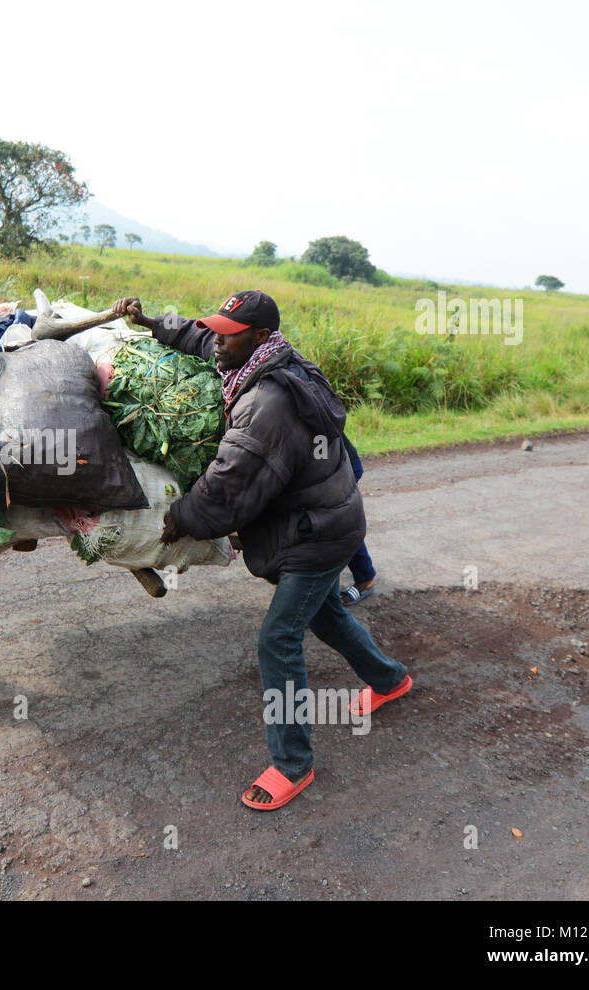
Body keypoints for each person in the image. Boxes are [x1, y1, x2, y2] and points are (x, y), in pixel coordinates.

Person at [111, 290, 411, 811]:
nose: (217, 340)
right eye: (218, 329)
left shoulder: (266, 402)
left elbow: (227, 483)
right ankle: (390, 680)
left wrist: (178, 519)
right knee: (325, 617)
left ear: (257, 336)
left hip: (318, 534)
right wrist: (151, 323)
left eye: (229, 332)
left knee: (278, 639)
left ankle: (292, 765)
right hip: (325, 517)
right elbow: (198, 339)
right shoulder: (263, 358)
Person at [340, 433, 376, 605]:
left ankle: (365, 579)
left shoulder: (314, 414)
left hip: (344, 468)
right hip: (325, 468)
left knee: (341, 522)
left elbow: (321, 454)